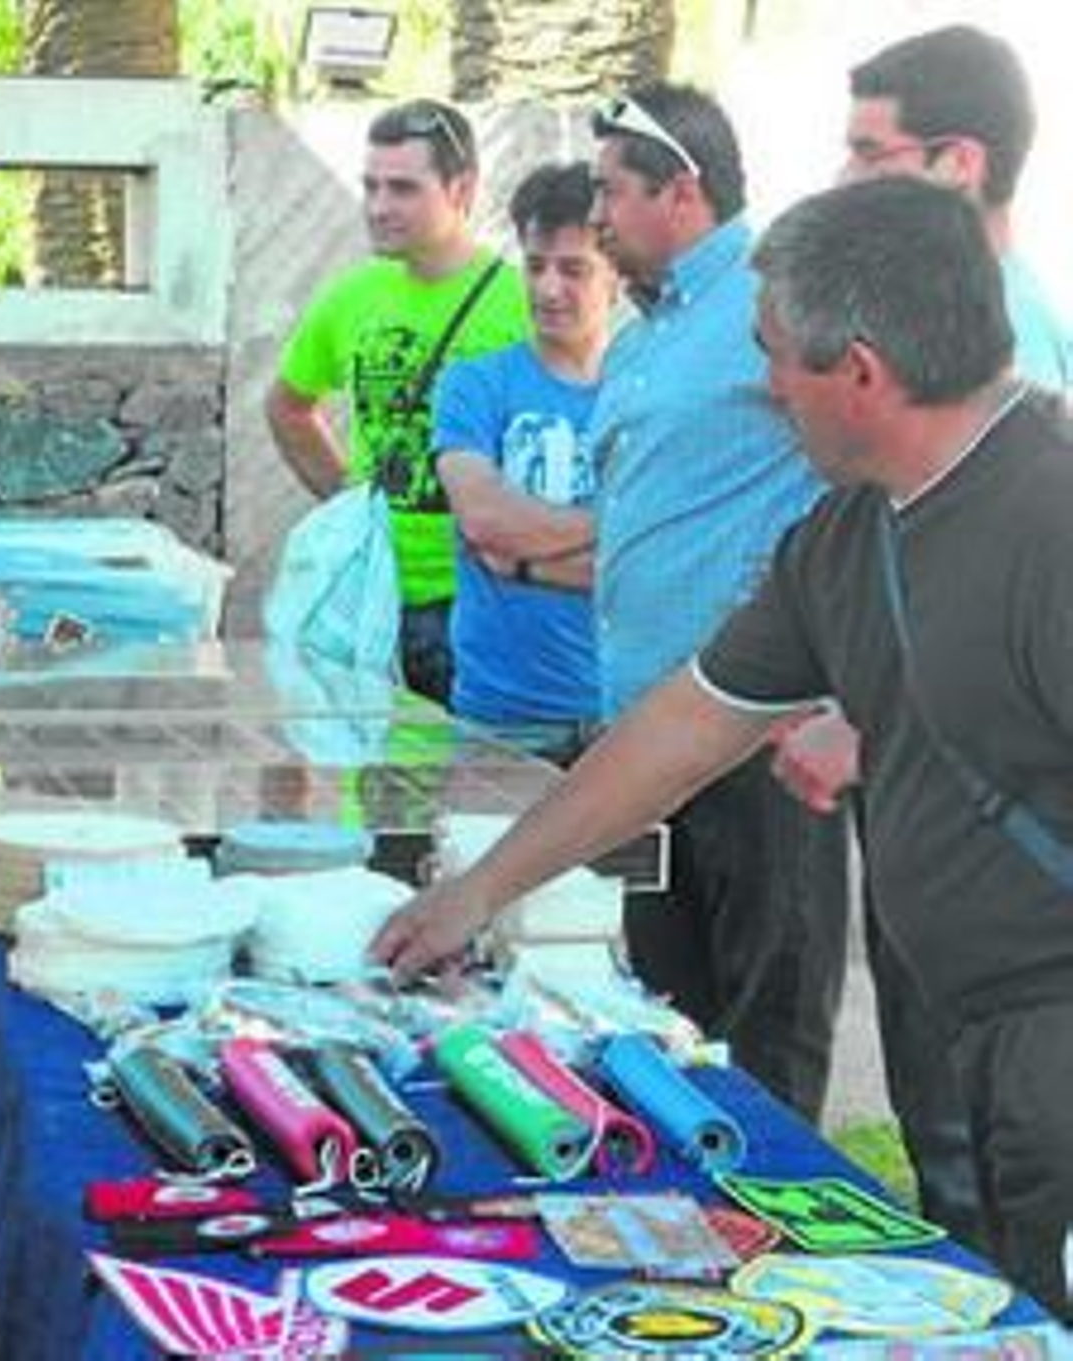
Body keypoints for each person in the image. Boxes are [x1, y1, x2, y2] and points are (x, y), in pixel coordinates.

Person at [374, 175, 1073, 1322]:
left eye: (775, 355)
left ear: (858, 371)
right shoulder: (847, 533)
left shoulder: (1050, 514)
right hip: (984, 1048)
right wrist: (480, 889)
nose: (761, 383)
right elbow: (684, 726)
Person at [770, 22, 1073, 1247]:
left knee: (992, 1182)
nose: (842, 179)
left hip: (1020, 951)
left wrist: (871, 709)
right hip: (954, 884)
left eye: (867, 152)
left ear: (956, 163)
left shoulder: (1009, 348)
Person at [581, 83, 847, 1120]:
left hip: (756, 741)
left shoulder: (773, 301)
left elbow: (869, 480)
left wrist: (840, 693)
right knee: (664, 1021)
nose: (595, 215)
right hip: (643, 744)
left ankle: (786, 1248)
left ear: (680, 189)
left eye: (611, 191)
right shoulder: (642, 337)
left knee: (767, 1027)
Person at [265, 99, 529, 705]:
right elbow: (287, 406)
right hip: (369, 595)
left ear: (461, 189)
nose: (380, 207)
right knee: (374, 785)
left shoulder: (518, 306)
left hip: (477, 603)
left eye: (404, 188)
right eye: (371, 186)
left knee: (470, 787)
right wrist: (350, 506)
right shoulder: (351, 297)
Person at [431, 161, 617, 761]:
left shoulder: (649, 391)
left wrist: (524, 561)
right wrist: (618, 526)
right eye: (535, 266)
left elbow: (658, 564)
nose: (547, 288)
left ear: (617, 275)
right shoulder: (475, 384)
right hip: (502, 718)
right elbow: (484, 521)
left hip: (625, 715)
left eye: (573, 269)